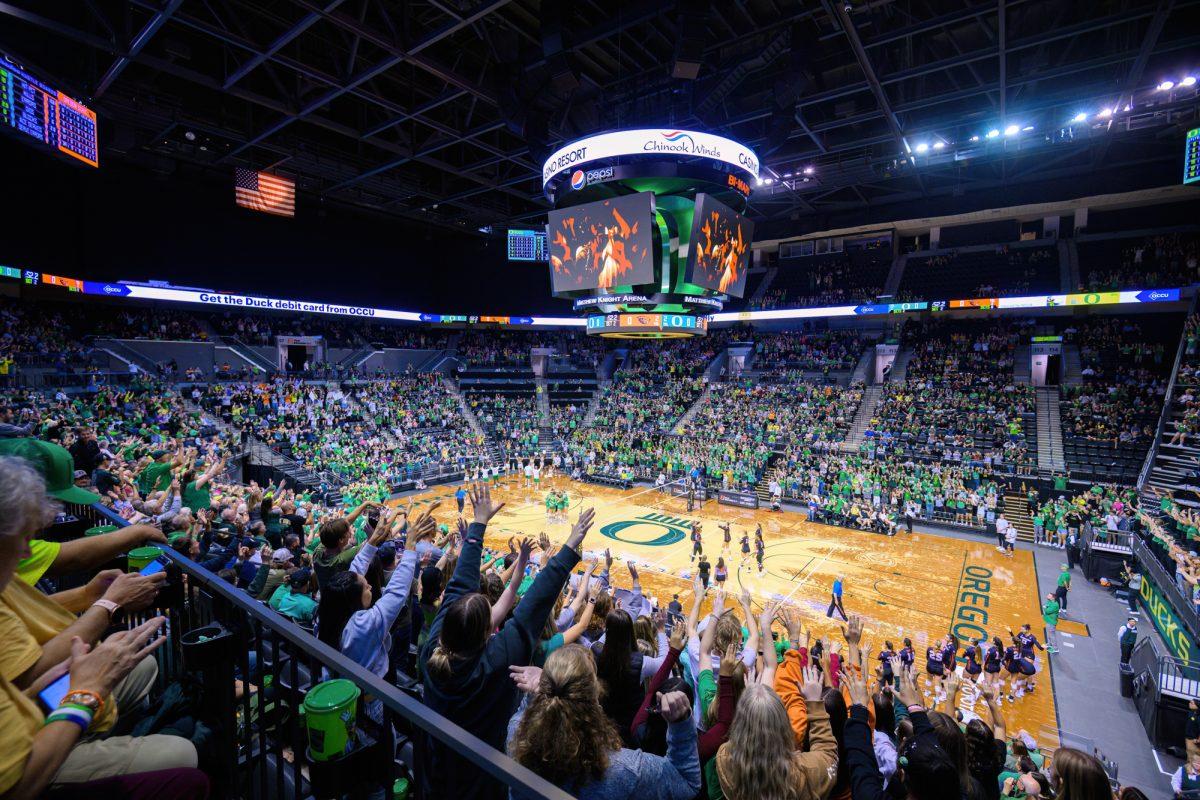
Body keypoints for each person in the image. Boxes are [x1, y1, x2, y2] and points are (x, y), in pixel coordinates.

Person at [0, 456, 209, 798]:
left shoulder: (5, 577)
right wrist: (84, 693)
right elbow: (18, 784)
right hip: (34, 746)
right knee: (183, 756)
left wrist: (86, 595)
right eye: (20, 539)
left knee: (143, 663)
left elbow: (21, 631)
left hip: (43, 699)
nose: (26, 550)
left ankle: (101, 734)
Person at [421, 484, 595, 800]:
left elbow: (460, 587)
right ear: (488, 631)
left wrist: (477, 528)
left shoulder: (431, 649)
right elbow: (534, 604)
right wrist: (570, 546)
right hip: (484, 777)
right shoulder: (499, 660)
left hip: (437, 768)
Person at [506, 644, 700, 800]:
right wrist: (681, 724)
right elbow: (687, 783)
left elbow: (525, 715)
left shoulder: (517, 735)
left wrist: (534, 696)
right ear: (595, 696)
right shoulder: (626, 771)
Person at [714, 666, 836, 800]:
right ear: (783, 726)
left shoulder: (724, 756)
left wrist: (751, 701)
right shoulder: (805, 773)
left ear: (739, 723)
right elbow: (828, 756)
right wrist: (814, 704)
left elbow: (749, 733)